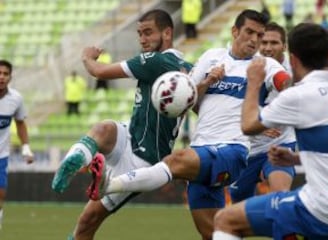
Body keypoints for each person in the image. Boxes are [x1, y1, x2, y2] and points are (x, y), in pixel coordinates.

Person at [86, 10, 292, 240]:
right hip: (202, 148)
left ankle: (109, 185)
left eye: (259, 35)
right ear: (235, 31)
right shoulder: (211, 57)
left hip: (231, 150)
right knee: (216, 233)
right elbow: (188, 102)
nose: (254, 40)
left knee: (175, 161)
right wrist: (207, 82)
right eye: (249, 32)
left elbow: (284, 82)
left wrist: (291, 93)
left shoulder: (264, 65)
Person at [51, 9, 192, 239]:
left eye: (148, 33)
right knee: (104, 128)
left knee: (88, 221)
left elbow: (99, 71)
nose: (143, 40)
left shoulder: (155, 60)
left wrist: (87, 57)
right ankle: (74, 162)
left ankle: (77, 159)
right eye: (139, 34)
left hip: (142, 161)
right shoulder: (185, 66)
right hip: (130, 135)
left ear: (167, 33)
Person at [212, 23, 328, 240]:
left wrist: (253, 81)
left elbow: (248, 125)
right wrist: (297, 157)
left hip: (322, 212)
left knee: (225, 220)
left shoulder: (299, 95)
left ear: (292, 59)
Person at [229, 22, 296, 203]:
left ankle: (286, 228)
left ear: (284, 46)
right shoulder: (248, 66)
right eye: (263, 42)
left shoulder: (294, 70)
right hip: (249, 148)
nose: (267, 48)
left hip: (280, 144)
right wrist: (259, 125)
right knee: (238, 206)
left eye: (274, 43)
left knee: (279, 197)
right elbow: (232, 107)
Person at [0, 59, 34, 229]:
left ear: (10, 77)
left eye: (5, 74)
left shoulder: (16, 99)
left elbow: (20, 123)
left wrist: (26, 148)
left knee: (0, 195)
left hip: (1, 156)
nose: (1, 77)